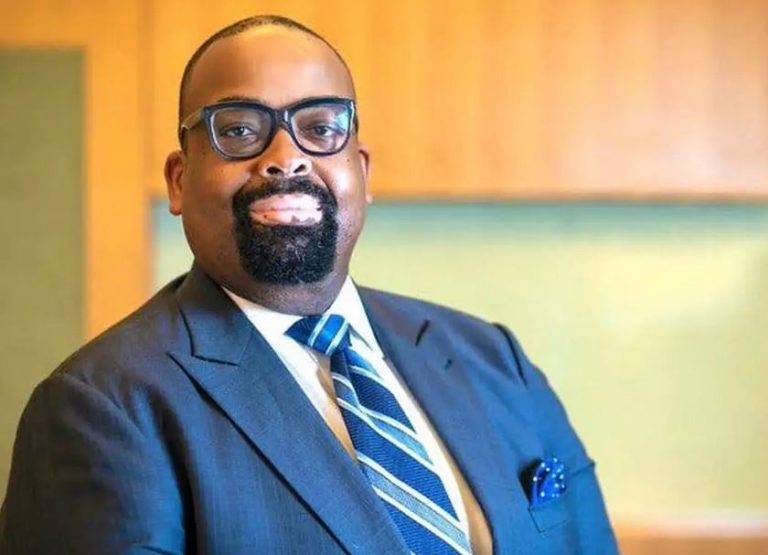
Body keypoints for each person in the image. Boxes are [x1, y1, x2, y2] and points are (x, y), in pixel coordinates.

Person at [0, 15, 617, 555]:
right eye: (239, 130)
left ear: (361, 173)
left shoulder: (494, 359)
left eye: (320, 128)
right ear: (180, 180)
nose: (286, 156)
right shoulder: (101, 408)